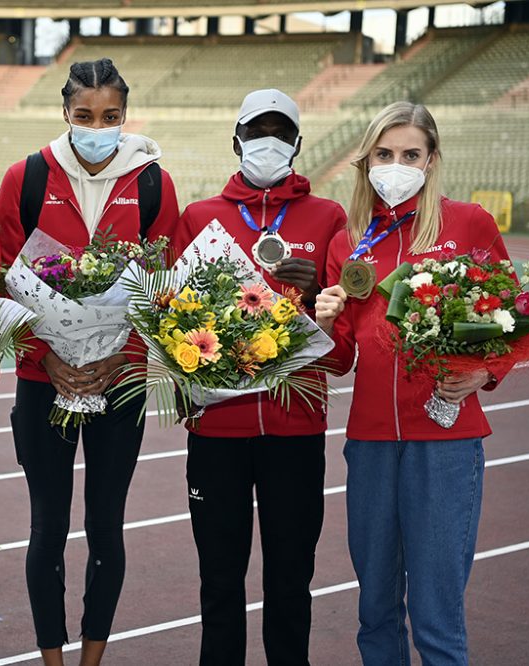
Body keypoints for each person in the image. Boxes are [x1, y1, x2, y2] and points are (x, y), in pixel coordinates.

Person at [0, 58, 179, 665]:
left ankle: (92, 659)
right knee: (47, 528)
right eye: (84, 116)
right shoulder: (24, 178)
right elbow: (1, 285)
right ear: (65, 114)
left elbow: (163, 287)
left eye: (111, 116)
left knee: (107, 528)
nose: (97, 126)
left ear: (125, 117)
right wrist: (46, 358)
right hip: (43, 381)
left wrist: (121, 359)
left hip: (117, 381)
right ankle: (52, 659)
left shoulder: (152, 181)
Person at [315, 101, 511, 665]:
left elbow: (514, 316)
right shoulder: (347, 242)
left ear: (430, 161)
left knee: (436, 616)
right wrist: (323, 324)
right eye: (384, 154)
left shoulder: (469, 222)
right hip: (372, 443)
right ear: (367, 161)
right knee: (375, 612)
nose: (395, 164)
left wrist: (484, 372)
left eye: (409, 154)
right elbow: (340, 360)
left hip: (447, 446)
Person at [170, 89, 346, 666]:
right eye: (257, 129)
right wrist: (182, 381)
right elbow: (169, 321)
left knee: (291, 583)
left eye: (280, 131)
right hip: (218, 431)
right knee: (219, 583)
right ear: (236, 139)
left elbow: (341, 353)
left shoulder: (328, 218)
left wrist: (317, 299)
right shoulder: (199, 217)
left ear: (297, 143)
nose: (268, 141)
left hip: (296, 430)